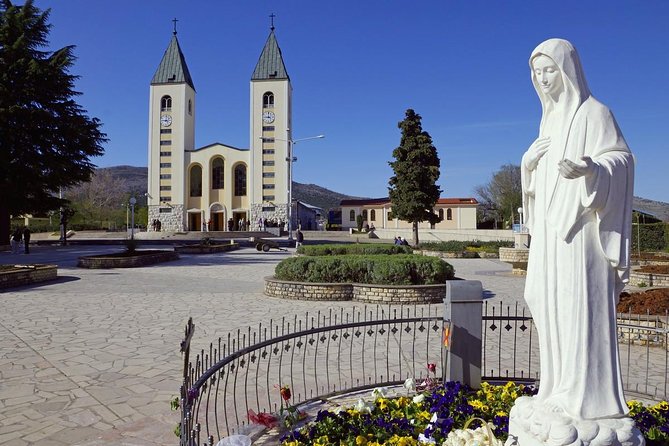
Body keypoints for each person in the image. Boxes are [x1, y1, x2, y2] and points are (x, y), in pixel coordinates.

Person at [519, 39, 633, 420]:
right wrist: (526, 165)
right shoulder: (548, 120)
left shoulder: (596, 114)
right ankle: (555, 386)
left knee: (576, 309)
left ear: (567, 70)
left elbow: (622, 160)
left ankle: (583, 396)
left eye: (549, 70)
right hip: (551, 237)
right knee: (547, 302)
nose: (543, 79)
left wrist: (593, 170)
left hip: (582, 234)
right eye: (537, 73)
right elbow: (538, 183)